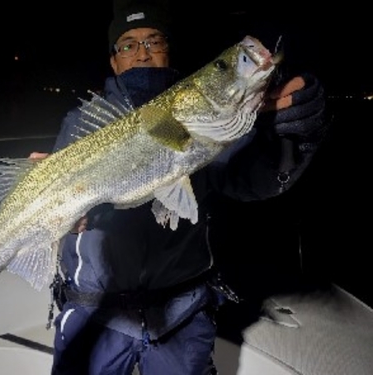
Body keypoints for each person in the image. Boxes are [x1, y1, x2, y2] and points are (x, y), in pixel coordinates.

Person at [31, 1, 328, 374]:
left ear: (168, 51)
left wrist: (290, 134)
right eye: (128, 44)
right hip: (96, 312)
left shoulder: (202, 120)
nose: (142, 52)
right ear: (114, 60)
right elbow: (62, 200)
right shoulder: (85, 122)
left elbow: (257, 178)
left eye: (154, 41)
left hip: (181, 314)